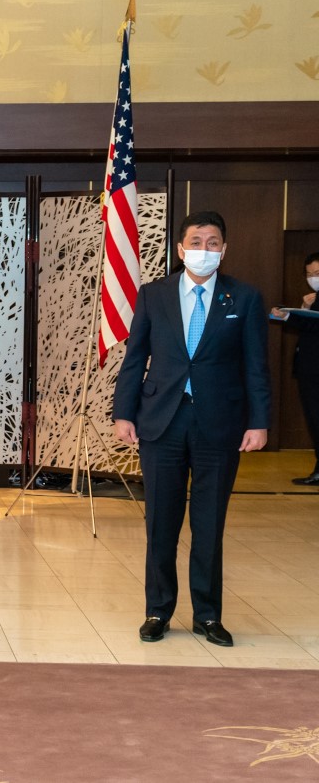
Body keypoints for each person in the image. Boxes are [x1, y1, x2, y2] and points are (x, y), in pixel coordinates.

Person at [113, 210, 270, 649]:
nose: (204, 249)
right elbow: (134, 359)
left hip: (219, 424)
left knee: (208, 524)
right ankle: (157, 610)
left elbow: (257, 365)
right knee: (160, 521)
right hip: (161, 421)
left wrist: (259, 422)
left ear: (224, 249)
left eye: (213, 242)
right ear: (181, 250)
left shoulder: (244, 298)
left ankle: (207, 615)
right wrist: (123, 413)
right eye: (196, 242)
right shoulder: (153, 295)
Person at [269, 252, 319, 485]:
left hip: (315, 370)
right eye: (309, 274)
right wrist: (297, 310)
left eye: (317, 273)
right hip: (309, 370)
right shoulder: (313, 297)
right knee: (313, 419)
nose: (313, 278)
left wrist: (292, 316)